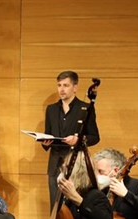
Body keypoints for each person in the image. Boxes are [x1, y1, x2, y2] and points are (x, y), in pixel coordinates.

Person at [42, 71, 100, 209]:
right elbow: (48, 133)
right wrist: (45, 143)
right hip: (55, 164)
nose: (61, 89)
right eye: (59, 85)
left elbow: (95, 137)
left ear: (75, 88)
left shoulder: (85, 108)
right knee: (55, 207)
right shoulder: (51, 109)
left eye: (66, 85)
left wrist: (78, 139)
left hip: (76, 164)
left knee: (73, 206)